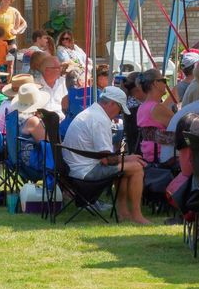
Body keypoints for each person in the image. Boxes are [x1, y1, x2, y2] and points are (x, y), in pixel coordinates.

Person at [63, 86, 149, 224]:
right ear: (112, 104)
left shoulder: (91, 113)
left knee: (126, 168)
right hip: (85, 172)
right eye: (120, 109)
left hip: (73, 170)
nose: (119, 113)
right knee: (137, 167)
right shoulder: (100, 120)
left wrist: (125, 160)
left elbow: (104, 157)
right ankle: (136, 215)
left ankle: (123, 212)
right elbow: (106, 160)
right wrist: (127, 158)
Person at [132, 69, 176, 165]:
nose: (166, 84)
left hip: (149, 156)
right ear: (155, 83)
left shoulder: (142, 107)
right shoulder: (157, 108)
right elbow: (179, 128)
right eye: (164, 81)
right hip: (164, 158)